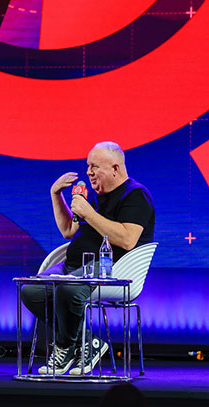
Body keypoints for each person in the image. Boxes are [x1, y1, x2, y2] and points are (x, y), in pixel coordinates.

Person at [22, 141, 154, 376]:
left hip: (110, 267)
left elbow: (127, 240)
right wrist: (56, 194)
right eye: (87, 166)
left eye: (95, 166)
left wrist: (88, 213)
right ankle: (88, 342)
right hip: (74, 265)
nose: (89, 172)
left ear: (115, 168)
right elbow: (68, 231)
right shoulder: (93, 196)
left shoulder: (136, 195)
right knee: (32, 289)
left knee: (67, 288)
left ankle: (64, 347)